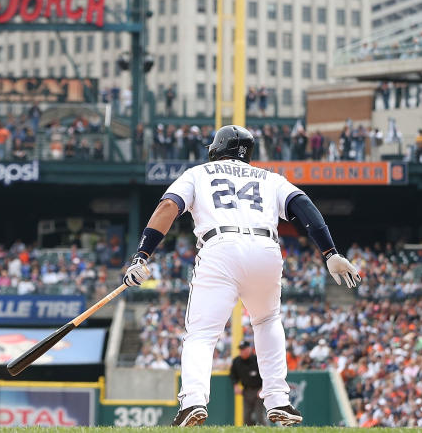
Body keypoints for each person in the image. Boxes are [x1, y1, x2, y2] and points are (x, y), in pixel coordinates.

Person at [122, 125, 360, 426]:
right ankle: (279, 400)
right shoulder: (270, 177)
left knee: (202, 334)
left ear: (216, 149)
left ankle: (193, 401)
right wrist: (330, 252)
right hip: (265, 248)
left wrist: (142, 255)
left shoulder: (198, 173)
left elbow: (169, 206)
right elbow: (304, 206)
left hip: (220, 246)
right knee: (267, 321)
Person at [230, 340, 264, 425]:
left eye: (244, 349)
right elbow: (233, 375)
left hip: (259, 391)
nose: (242, 351)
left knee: (259, 416)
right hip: (246, 391)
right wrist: (235, 385)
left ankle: (265, 430)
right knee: (246, 417)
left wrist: (263, 388)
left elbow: (266, 376)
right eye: (241, 349)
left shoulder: (257, 360)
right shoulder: (237, 361)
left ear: (249, 349)